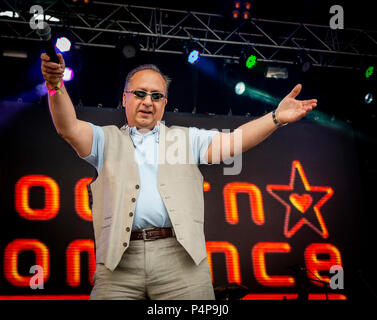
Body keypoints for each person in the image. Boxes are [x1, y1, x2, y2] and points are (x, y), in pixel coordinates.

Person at [40, 52, 317, 300]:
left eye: (156, 96)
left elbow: (234, 141)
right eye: (140, 94)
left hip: (181, 260)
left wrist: (276, 118)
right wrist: (55, 86)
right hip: (118, 263)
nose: (148, 101)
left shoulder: (187, 139)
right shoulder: (105, 139)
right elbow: (68, 127)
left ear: (164, 103)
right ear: (124, 98)